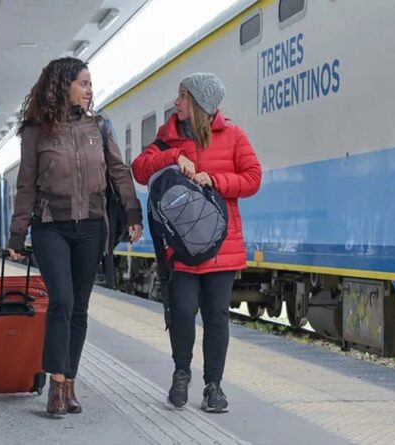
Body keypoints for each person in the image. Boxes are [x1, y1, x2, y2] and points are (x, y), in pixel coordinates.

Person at [7, 57, 143, 416]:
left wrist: (132, 212)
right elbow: (25, 187)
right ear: (62, 85)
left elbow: (118, 170)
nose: (89, 90)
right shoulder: (36, 132)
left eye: (90, 84)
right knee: (62, 301)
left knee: (80, 308)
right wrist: (17, 235)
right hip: (51, 225)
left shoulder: (99, 126)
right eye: (83, 83)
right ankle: (54, 384)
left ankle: (69, 382)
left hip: (92, 227)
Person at [131, 73, 261, 413]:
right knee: (183, 312)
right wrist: (172, 158)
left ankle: (213, 387)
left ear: (200, 103)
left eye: (183, 96)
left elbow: (253, 178)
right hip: (183, 248)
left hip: (222, 246)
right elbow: (140, 169)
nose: (176, 102)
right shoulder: (167, 137)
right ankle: (181, 374)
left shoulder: (233, 135)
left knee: (217, 317)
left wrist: (215, 180)